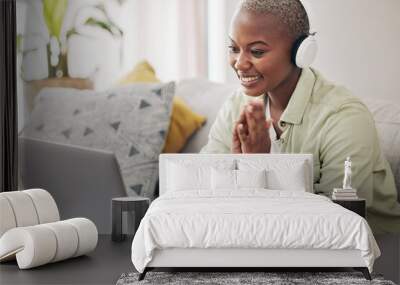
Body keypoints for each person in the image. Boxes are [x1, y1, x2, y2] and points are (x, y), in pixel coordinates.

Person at [201, 0, 400, 234]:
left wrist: (257, 166)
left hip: (369, 256)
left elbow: (336, 225)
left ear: (301, 52)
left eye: (256, 51)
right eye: (234, 48)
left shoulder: (344, 117)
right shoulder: (237, 105)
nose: (240, 63)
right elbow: (203, 191)